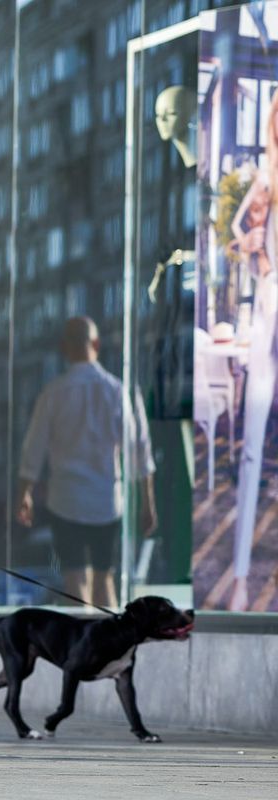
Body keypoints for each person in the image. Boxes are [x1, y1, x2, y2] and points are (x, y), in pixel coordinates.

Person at [16, 317, 157, 608]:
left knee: (74, 582)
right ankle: (110, 648)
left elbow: (33, 449)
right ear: (96, 345)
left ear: (64, 348)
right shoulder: (117, 391)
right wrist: (148, 503)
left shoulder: (52, 394)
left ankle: (81, 649)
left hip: (65, 501)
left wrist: (24, 494)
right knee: (105, 580)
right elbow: (139, 450)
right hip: (106, 501)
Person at [228, 87, 278, 612]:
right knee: (251, 445)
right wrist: (264, 270)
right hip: (271, 316)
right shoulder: (268, 178)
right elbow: (237, 229)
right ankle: (241, 576)